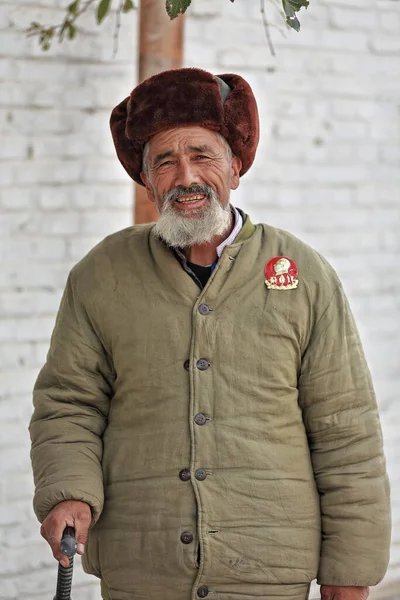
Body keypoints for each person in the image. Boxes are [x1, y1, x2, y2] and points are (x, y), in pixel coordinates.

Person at [29, 68, 391, 600]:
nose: (185, 177)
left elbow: (346, 430)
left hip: (269, 568)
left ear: (236, 167)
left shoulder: (302, 272)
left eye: (202, 156)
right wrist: (70, 492)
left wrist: (349, 572)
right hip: (141, 566)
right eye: (165, 162)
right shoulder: (100, 275)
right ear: (146, 180)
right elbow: (68, 402)